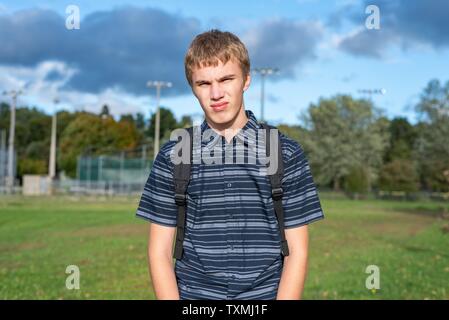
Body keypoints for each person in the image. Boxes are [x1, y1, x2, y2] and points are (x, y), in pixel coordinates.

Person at [136, 29, 324, 300]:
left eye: (226, 79)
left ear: (246, 80)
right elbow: (159, 252)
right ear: (192, 88)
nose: (216, 93)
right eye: (203, 83)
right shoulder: (173, 155)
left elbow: (298, 252)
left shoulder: (286, 153)